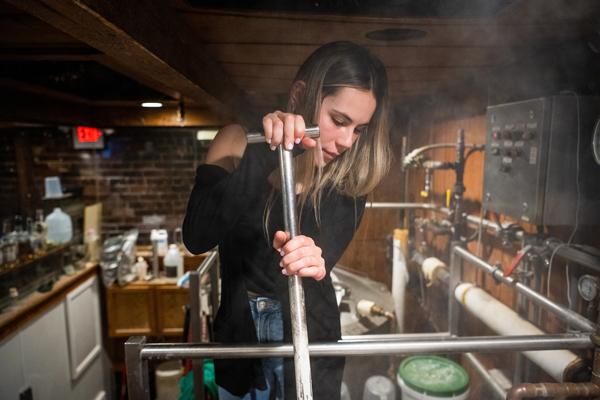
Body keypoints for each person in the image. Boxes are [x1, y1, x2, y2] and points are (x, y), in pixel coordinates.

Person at [182, 41, 391, 400]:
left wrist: (312, 258)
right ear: (300, 95)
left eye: (359, 130)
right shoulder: (236, 142)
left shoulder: (349, 183)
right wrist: (272, 150)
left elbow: (320, 256)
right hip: (240, 332)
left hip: (313, 334)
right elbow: (197, 235)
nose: (346, 141)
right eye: (339, 121)